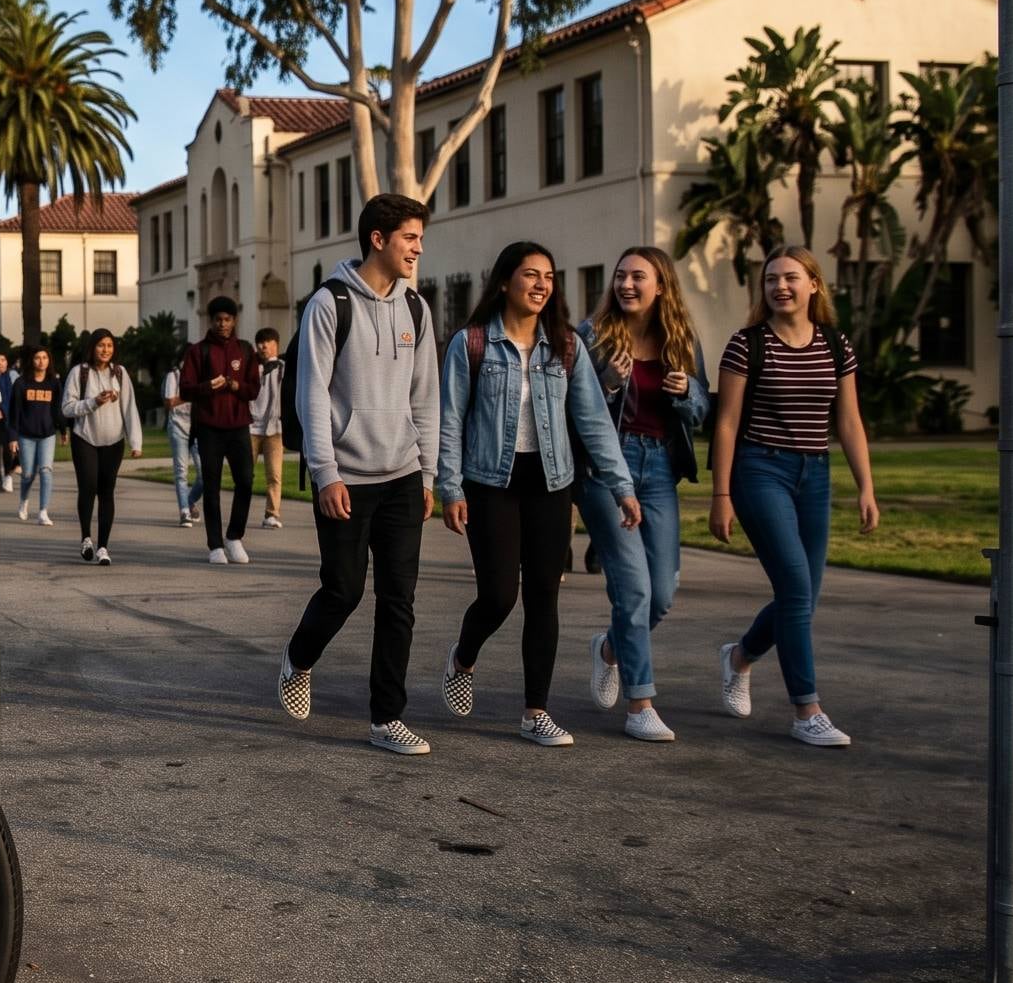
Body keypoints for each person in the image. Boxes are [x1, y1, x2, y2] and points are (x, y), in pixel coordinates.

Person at [435, 241, 640, 749]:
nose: (542, 284)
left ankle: (535, 711)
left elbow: (593, 422)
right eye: (530, 274)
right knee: (499, 595)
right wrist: (450, 486)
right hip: (490, 484)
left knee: (544, 596)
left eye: (549, 275)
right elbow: (450, 420)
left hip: (551, 483)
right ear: (505, 281)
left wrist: (621, 486)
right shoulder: (473, 343)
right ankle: (463, 657)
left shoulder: (565, 345)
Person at [277, 194, 440, 755]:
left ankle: (386, 718)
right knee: (343, 590)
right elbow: (312, 395)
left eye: (420, 238)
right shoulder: (329, 303)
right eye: (410, 238)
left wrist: (428, 473)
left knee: (399, 601)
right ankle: (299, 658)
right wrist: (325, 473)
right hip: (346, 475)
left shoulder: (417, 308)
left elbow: (426, 398)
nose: (418, 248)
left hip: (402, 474)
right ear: (378, 238)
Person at [709, 246, 882, 749]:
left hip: (817, 473)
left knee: (802, 596)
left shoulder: (835, 344)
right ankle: (807, 710)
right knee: (796, 590)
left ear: (814, 285)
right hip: (760, 470)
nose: (780, 286)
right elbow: (725, 423)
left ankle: (740, 657)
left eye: (790, 277)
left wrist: (865, 487)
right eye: (770, 280)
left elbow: (848, 420)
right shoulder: (747, 345)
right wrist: (722, 493)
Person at [577, 246, 713, 742]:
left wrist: (685, 393)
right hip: (606, 471)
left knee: (662, 594)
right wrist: (607, 383)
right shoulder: (592, 336)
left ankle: (609, 649)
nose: (626, 284)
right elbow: (573, 403)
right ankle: (641, 703)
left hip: (659, 469)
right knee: (633, 590)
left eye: (638, 276)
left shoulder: (679, 338)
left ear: (661, 286)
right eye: (620, 276)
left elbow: (701, 408)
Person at [179, 297, 262, 564]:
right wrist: (208, 386)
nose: (222, 324)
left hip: (239, 426)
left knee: (246, 481)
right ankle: (215, 545)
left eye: (227, 319)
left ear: (234, 320)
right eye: (218, 319)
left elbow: (254, 389)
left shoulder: (246, 350)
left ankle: (234, 537)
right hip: (208, 428)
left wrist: (236, 387)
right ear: (211, 321)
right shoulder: (198, 351)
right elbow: (185, 390)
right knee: (211, 486)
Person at [61, 329, 144, 564]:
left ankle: (103, 547)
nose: (105, 350)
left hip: (114, 441)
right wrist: (93, 402)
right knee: (88, 487)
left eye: (109, 345)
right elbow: (67, 408)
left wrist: (135, 442)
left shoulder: (120, 373)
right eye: (100, 345)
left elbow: (129, 408)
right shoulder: (80, 372)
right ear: (92, 348)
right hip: (84, 438)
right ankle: (86, 538)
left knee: (107, 492)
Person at [10, 345, 62, 525]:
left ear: (49, 361)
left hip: (47, 434)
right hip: (26, 435)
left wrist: (63, 430)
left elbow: (58, 409)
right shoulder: (22, 383)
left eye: (45, 358)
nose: (41, 361)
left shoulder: (54, 383)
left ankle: (43, 511)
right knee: (28, 474)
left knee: (46, 470)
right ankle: (24, 501)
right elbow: (14, 411)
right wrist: (13, 437)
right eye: (37, 358)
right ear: (31, 361)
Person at [249, 327, 286, 530]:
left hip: (275, 429)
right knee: (246, 474)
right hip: (251, 427)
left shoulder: (282, 367)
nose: (263, 346)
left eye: (267, 342)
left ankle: (272, 514)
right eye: (260, 342)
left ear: (276, 344)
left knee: (274, 475)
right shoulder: (251, 367)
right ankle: (242, 510)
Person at [161, 364, 198, 526]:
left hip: (198, 426)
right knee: (181, 471)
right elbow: (169, 403)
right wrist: (192, 394)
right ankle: (184, 511)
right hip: (178, 426)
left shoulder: (202, 374)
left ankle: (188, 501)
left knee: (206, 473)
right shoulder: (174, 376)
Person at [0, 351, 22, 494]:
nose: (0, 363)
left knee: (7, 450)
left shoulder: (12, 377)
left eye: (2, 359)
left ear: (7, 362)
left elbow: (14, 400)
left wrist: (3, 411)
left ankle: (8, 476)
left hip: (8, 420)